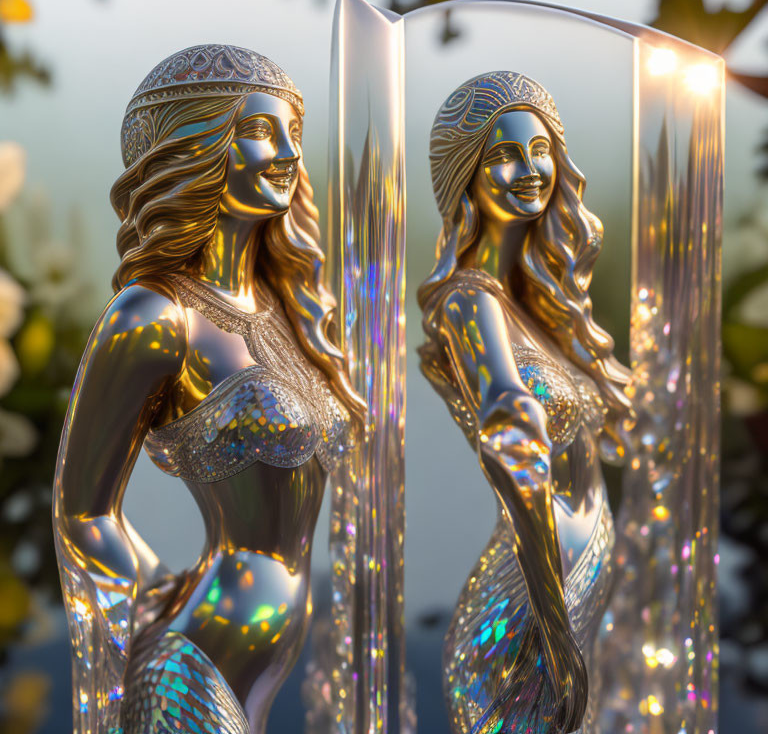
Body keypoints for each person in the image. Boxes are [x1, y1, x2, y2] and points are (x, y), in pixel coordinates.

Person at [52, 44, 364, 734]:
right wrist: (154, 589)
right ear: (195, 147)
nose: (287, 153)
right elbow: (83, 512)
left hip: (269, 657)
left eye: (293, 134)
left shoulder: (291, 311)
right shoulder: (156, 316)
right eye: (258, 131)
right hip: (195, 666)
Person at [418, 71, 632, 734]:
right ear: (465, 176)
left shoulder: (534, 307)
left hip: (575, 593)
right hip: (528, 612)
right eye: (503, 154)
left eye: (539, 150)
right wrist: (557, 627)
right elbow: (514, 450)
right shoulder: (469, 302)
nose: (529, 169)